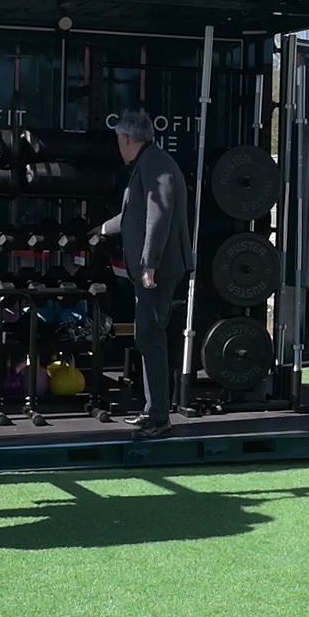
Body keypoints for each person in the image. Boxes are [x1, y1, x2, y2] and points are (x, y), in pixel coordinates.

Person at [97, 110, 193, 440]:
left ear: (126, 139)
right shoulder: (150, 163)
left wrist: (149, 264)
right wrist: (101, 230)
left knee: (150, 338)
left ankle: (159, 417)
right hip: (151, 270)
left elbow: (159, 214)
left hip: (157, 271)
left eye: (117, 141)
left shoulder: (155, 163)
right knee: (146, 337)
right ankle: (154, 410)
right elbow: (133, 216)